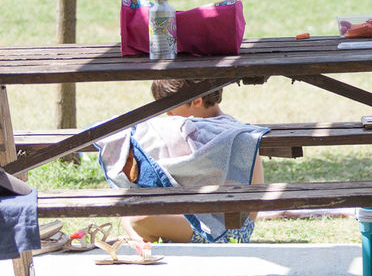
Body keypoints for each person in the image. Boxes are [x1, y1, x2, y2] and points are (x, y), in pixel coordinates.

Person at [100, 80, 266, 244]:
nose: (169, 118)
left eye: (171, 112)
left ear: (196, 101)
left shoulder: (225, 134)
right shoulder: (207, 131)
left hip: (228, 230)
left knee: (138, 219)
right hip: (200, 218)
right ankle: (142, 242)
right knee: (131, 215)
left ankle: (141, 242)